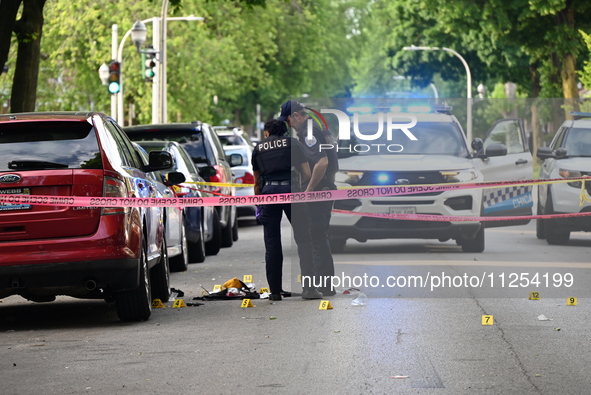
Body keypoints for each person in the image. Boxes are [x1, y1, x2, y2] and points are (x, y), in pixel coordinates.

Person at [252, 119, 323, 301]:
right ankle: (309, 290)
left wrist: (260, 204)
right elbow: (306, 173)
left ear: (267, 132)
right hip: (292, 192)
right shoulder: (293, 143)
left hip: (268, 193)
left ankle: (275, 292)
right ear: (284, 131)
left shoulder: (259, 148)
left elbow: (256, 181)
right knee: (304, 240)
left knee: (272, 243)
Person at [277, 100, 338, 296]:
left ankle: (323, 285)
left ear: (296, 116)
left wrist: (308, 191)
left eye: (288, 121)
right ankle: (325, 285)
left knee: (316, 237)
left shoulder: (308, 132)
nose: (289, 126)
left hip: (319, 189)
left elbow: (322, 162)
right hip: (325, 187)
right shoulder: (316, 127)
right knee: (321, 236)